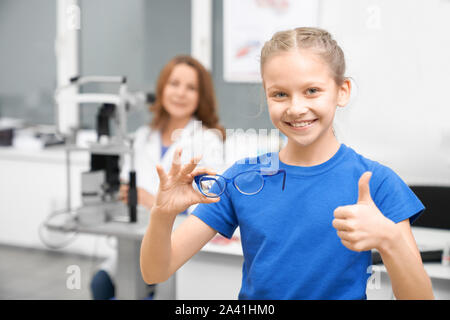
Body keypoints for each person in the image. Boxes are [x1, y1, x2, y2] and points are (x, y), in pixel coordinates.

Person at [140, 28, 434, 300]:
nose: (295, 108)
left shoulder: (376, 182)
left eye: (312, 91)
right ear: (266, 95)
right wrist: (162, 215)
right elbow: (156, 271)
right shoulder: (241, 179)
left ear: (342, 91)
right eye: (280, 94)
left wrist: (389, 239)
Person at [90, 55, 226, 300]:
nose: (180, 93)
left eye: (191, 88)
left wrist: (154, 202)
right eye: (174, 84)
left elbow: (211, 204)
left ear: (200, 97)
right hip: (133, 240)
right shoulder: (143, 135)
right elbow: (126, 186)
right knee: (100, 285)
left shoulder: (207, 139)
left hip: (176, 244)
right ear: (162, 88)